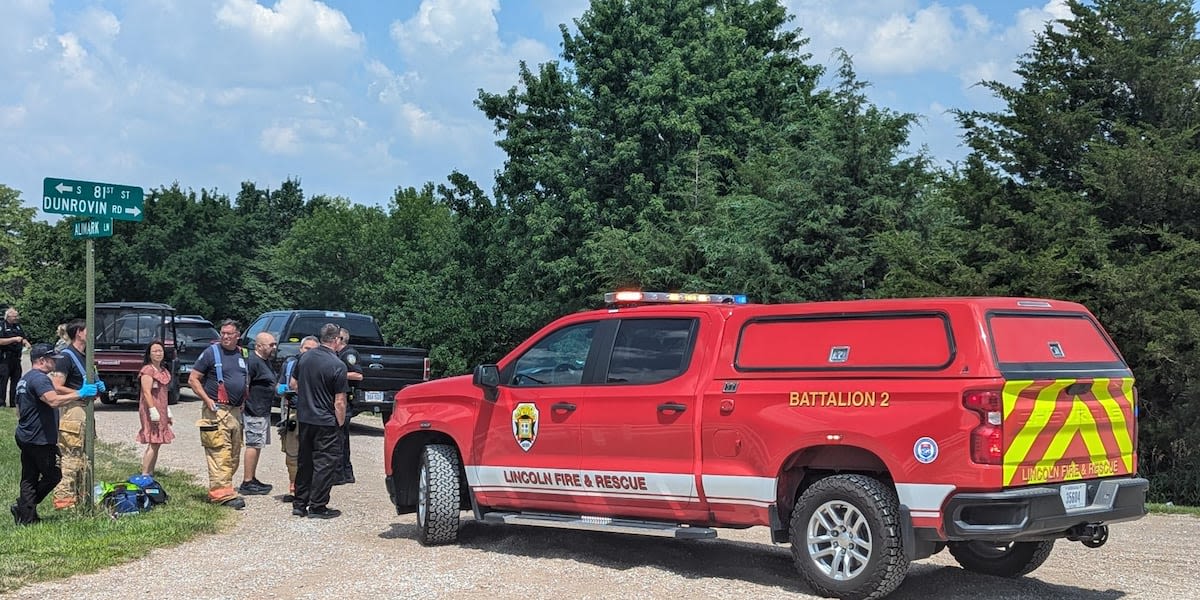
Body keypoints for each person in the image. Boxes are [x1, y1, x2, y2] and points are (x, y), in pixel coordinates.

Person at [11, 343, 98, 525]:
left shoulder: (25, 379)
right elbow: (53, 400)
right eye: (52, 360)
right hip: (40, 438)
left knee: (29, 476)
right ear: (42, 360)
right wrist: (79, 393)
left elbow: (19, 408)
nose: (55, 363)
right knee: (53, 475)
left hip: (26, 435)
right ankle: (24, 506)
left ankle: (27, 517)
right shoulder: (40, 379)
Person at [188, 319, 249, 509]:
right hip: (217, 412)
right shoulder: (210, 353)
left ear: (237, 335)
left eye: (229, 333)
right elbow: (193, 379)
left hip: (235, 412)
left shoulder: (242, 354)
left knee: (234, 454)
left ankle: (226, 488)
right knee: (220, 452)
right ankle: (220, 494)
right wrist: (208, 400)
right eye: (223, 333)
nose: (225, 336)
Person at [292, 323, 347, 519]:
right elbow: (339, 401)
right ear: (336, 340)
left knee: (304, 461)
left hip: (305, 417)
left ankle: (299, 503)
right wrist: (340, 424)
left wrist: (308, 398)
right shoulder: (338, 365)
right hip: (326, 420)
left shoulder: (304, 357)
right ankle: (317, 506)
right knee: (325, 463)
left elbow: (293, 383)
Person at [52, 318, 105, 510]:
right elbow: (56, 386)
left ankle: (82, 497)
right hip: (73, 410)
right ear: (79, 333)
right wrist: (79, 393)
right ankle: (64, 501)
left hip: (86, 411)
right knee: (71, 457)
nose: (92, 335)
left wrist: (98, 388)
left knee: (85, 457)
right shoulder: (66, 356)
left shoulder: (86, 356)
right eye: (88, 331)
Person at [277, 335, 318, 502]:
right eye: (306, 349)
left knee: (312, 453)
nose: (309, 352)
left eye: (313, 350)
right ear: (300, 349)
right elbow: (278, 387)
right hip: (292, 412)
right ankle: (294, 486)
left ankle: (310, 489)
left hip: (313, 415)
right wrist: (286, 389)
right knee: (292, 453)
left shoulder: (320, 367)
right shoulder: (289, 364)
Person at [239, 332, 277, 496]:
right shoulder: (253, 362)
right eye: (270, 345)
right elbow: (245, 385)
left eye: (274, 344)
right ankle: (247, 482)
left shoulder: (266, 362)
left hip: (263, 410)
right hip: (254, 410)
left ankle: (252, 477)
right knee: (253, 444)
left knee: (259, 444)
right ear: (259, 346)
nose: (274, 347)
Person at [136, 340, 175, 476]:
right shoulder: (147, 370)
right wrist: (153, 410)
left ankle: (151, 471)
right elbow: (146, 392)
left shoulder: (163, 371)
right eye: (155, 351)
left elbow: (163, 393)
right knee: (153, 440)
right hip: (150, 409)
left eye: (160, 351)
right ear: (149, 354)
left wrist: (167, 409)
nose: (158, 353)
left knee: (158, 441)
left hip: (161, 408)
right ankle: (145, 473)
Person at [333, 327, 363, 485]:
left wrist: (335, 372)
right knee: (341, 438)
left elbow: (358, 375)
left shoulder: (349, 354)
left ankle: (342, 473)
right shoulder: (339, 355)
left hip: (347, 402)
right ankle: (344, 473)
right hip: (342, 400)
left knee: (340, 438)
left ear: (340, 340)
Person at [0, 307, 32, 408]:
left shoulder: (17, 326)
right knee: (3, 380)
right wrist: (13, 339)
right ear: (8, 316)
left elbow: (23, 337)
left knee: (16, 379)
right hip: (5, 357)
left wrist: (26, 342)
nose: (16, 318)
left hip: (16, 357)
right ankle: (1, 402)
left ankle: (14, 402)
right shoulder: (2, 325)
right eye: (15, 316)